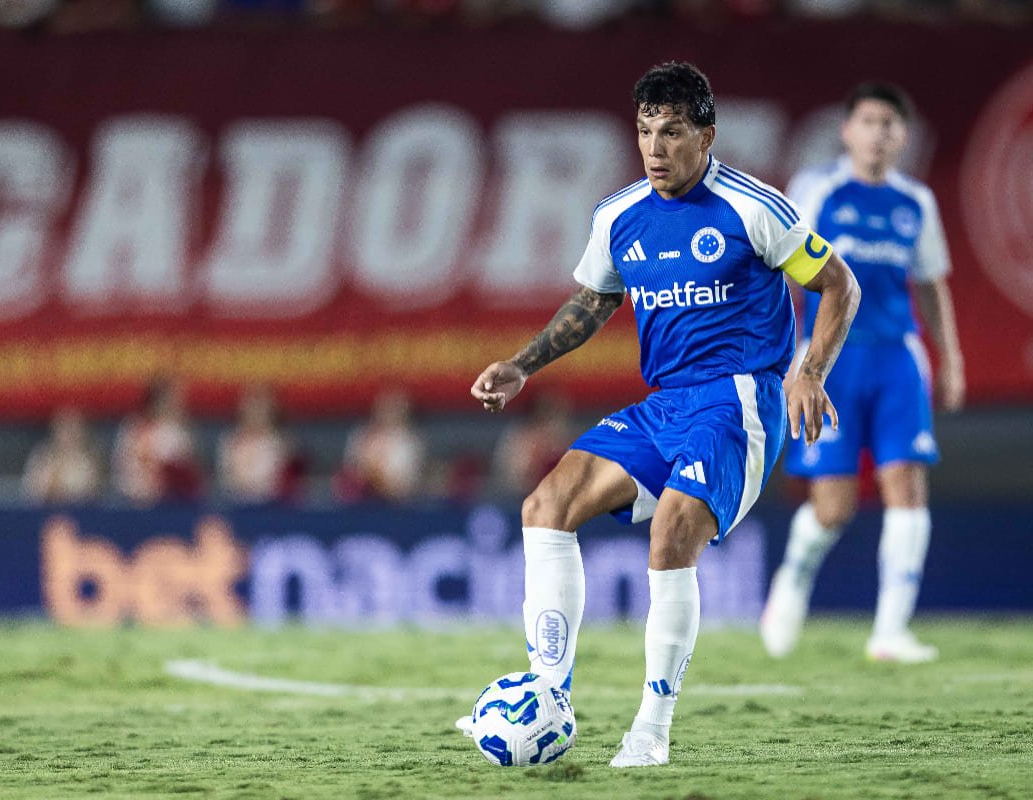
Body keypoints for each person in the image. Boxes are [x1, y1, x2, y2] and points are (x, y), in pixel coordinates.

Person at [458, 61, 860, 767]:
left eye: (671, 132)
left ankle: (652, 727)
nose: (654, 148)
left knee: (673, 528)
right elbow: (592, 303)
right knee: (546, 503)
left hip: (738, 399)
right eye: (645, 131)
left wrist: (810, 369)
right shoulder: (618, 216)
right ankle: (548, 698)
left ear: (706, 136)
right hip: (665, 402)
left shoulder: (753, 208)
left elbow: (838, 284)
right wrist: (522, 364)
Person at [760, 82, 964, 664]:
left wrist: (951, 358)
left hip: (898, 357)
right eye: (869, 121)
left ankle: (890, 632)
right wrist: (791, 358)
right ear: (847, 130)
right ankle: (792, 582)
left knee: (908, 487)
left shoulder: (915, 202)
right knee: (835, 507)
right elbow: (781, 270)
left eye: (890, 124)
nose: (879, 133)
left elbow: (929, 284)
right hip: (831, 360)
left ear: (903, 136)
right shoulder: (816, 189)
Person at [112, 375, 204, 504]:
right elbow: (122, 470)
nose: (179, 405)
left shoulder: (178, 433)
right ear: (159, 400)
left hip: (170, 504)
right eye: (173, 399)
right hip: (132, 501)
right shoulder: (133, 428)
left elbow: (189, 481)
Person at [335, 389, 426, 503]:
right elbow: (350, 472)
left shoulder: (410, 442)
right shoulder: (361, 435)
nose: (388, 413)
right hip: (361, 505)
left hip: (397, 507)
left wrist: (377, 477)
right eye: (385, 408)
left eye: (394, 408)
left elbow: (405, 485)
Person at [217, 384, 299, 503]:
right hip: (236, 504)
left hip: (271, 506)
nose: (255, 410)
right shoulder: (229, 441)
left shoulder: (283, 444)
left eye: (260, 405)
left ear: (272, 408)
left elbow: (285, 484)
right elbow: (225, 479)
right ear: (242, 407)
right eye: (251, 404)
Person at [23, 407, 104, 504]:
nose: (67, 435)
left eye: (72, 428)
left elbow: (90, 494)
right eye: (63, 428)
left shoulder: (88, 462)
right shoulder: (42, 456)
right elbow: (31, 492)